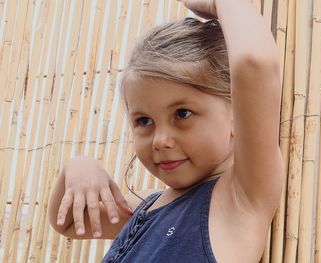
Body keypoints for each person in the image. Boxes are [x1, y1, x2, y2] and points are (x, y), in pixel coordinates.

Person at [48, 0, 284, 262]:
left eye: (182, 114)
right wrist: (76, 167)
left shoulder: (239, 199)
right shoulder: (145, 206)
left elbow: (255, 63)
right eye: (144, 121)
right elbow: (68, 221)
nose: (160, 141)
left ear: (235, 114)